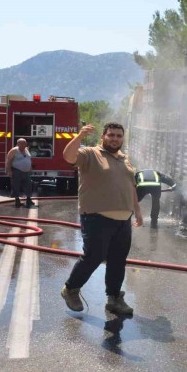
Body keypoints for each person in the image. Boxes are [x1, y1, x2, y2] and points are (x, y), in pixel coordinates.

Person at [60, 122, 143, 315]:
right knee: (94, 256)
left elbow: (130, 187)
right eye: (111, 135)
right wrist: (79, 135)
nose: (115, 139)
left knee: (117, 260)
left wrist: (137, 211)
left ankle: (114, 298)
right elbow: (68, 156)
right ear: (103, 137)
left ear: (123, 138)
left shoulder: (124, 159)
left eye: (118, 136)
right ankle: (70, 289)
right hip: (97, 217)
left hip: (123, 219)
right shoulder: (90, 154)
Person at [6, 138, 34, 208]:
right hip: (16, 171)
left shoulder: (26, 150)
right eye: (21, 143)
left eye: (24, 143)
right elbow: (8, 161)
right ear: (18, 144)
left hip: (26, 171)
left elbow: (28, 159)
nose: (23, 145)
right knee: (16, 186)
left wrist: (30, 168)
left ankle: (28, 199)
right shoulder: (14, 150)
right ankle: (17, 200)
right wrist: (9, 171)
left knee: (28, 185)